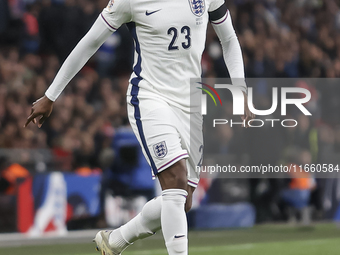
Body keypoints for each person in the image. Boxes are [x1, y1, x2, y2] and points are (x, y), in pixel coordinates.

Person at [24, 0, 254, 254]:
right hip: (149, 97)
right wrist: (51, 95)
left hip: (189, 103)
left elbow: (229, 39)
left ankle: (116, 240)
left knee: (182, 200)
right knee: (175, 182)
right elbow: (90, 41)